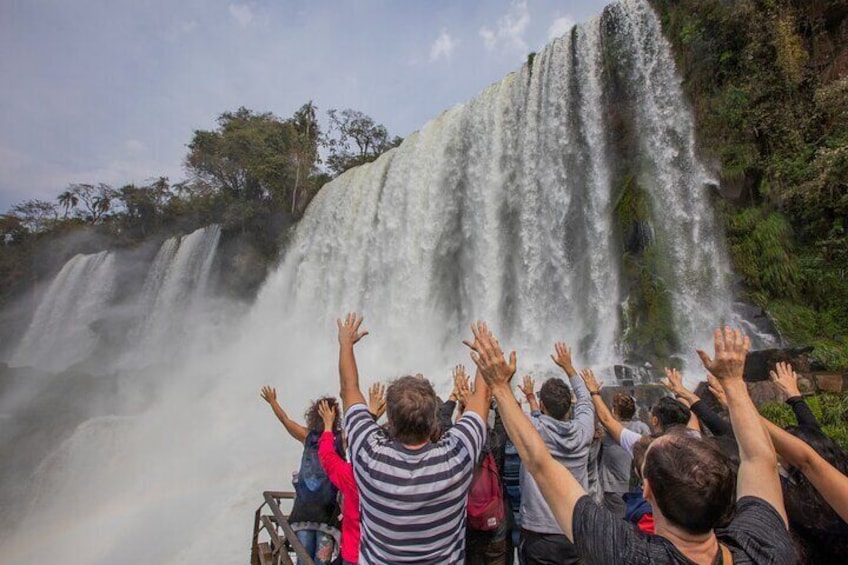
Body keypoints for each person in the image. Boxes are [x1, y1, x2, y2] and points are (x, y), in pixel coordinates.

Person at [468, 323, 796, 564]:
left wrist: (497, 385)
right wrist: (735, 385)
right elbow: (761, 460)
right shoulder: (765, 549)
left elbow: (539, 463)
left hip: (537, 538)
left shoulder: (629, 554)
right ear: (729, 496)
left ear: (647, 490)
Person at [337, 313, 490, 564]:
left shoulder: (368, 455)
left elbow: (349, 390)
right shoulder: (457, 458)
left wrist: (345, 345)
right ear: (433, 422)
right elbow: (481, 400)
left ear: (390, 422)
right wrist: (484, 353)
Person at [514, 343, 594, 565]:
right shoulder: (584, 431)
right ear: (570, 407)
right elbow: (586, 401)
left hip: (538, 534)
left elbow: (510, 411)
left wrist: (511, 385)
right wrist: (569, 368)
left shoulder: (533, 432)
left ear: (541, 405)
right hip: (575, 530)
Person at [260, 386, 342, 565]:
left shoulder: (307, 436)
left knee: (303, 560)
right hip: (327, 516)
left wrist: (273, 402)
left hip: (304, 513)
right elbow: (365, 431)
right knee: (321, 562)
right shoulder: (341, 440)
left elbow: (284, 420)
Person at [598, 392, 649, 519]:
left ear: (614, 412)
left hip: (612, 487)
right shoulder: (641, 428)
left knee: (617, 523)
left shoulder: (605, 430)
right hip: (638, 486)